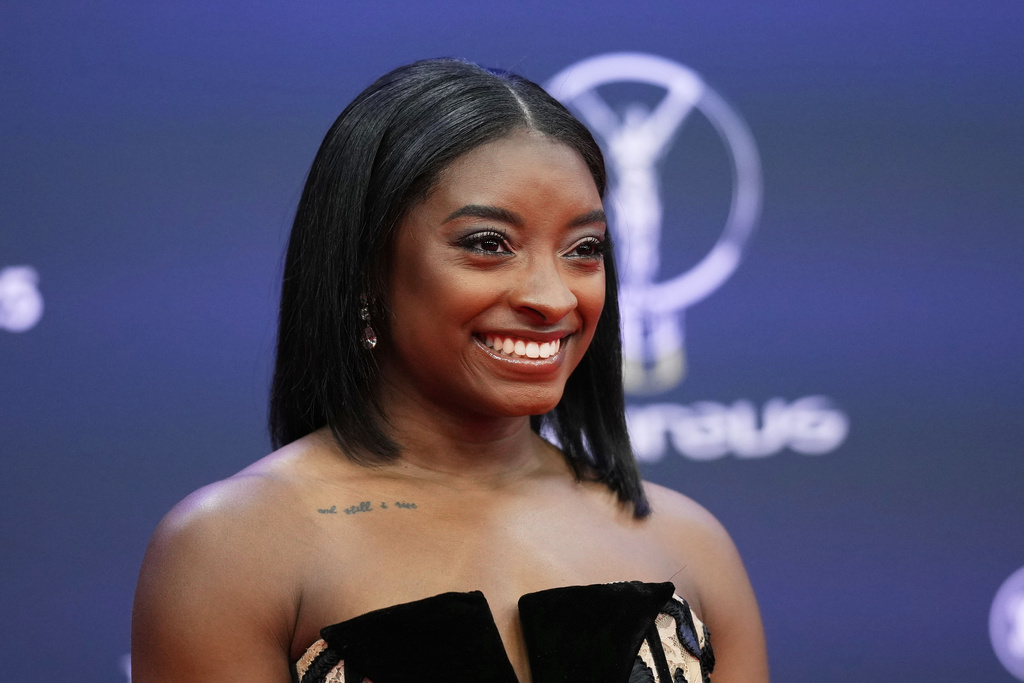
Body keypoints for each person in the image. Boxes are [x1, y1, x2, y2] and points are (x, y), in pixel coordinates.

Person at [131, 58, 768, 683]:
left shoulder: (689, 544)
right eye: (489, 244)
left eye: (584, 249)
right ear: (365, 270)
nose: (553, 298)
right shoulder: (233, 550)